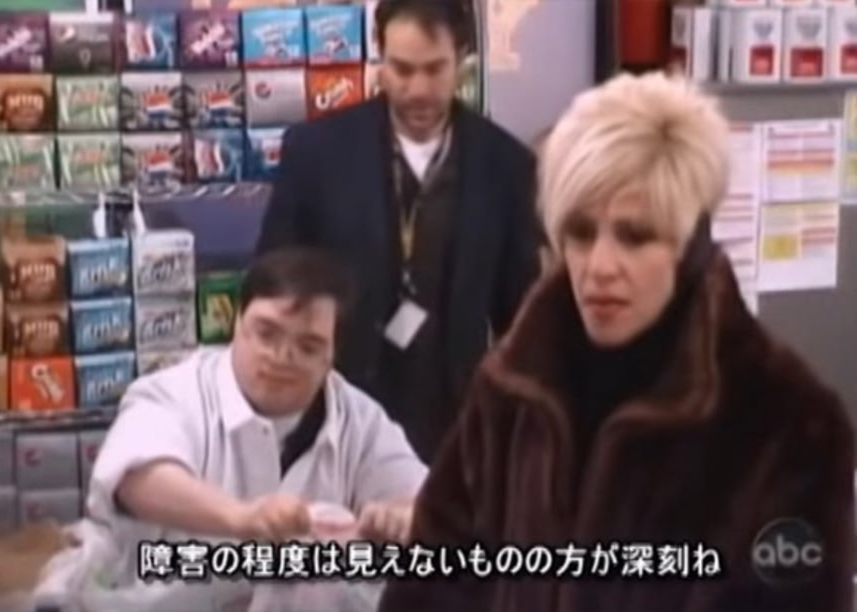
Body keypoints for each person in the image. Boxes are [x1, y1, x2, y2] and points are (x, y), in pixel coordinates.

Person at [379, 72, 855, 612]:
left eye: (634, 236)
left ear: (689, 246)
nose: (600, 267)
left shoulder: (787, 421)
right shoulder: (512, 389)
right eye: (581, 234)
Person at [255, 0, 539, 462]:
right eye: (402, 69)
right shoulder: (315, 153)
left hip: (456, 428)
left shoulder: (507, 165)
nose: (418, 89)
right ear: (379, 59)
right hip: (332, 417)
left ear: (463, 60)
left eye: (435, 69)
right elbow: (271, 283)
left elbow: (522, 314)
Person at [88, 248, 427, 608]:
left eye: (307, 347)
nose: (281, 357)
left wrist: (402, 517)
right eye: (266, 334)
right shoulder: (174, 394)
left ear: (332, 356)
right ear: (237, 323)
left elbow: (426, 497)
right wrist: (241, 517)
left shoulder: (359, 420)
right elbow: (137, 478)